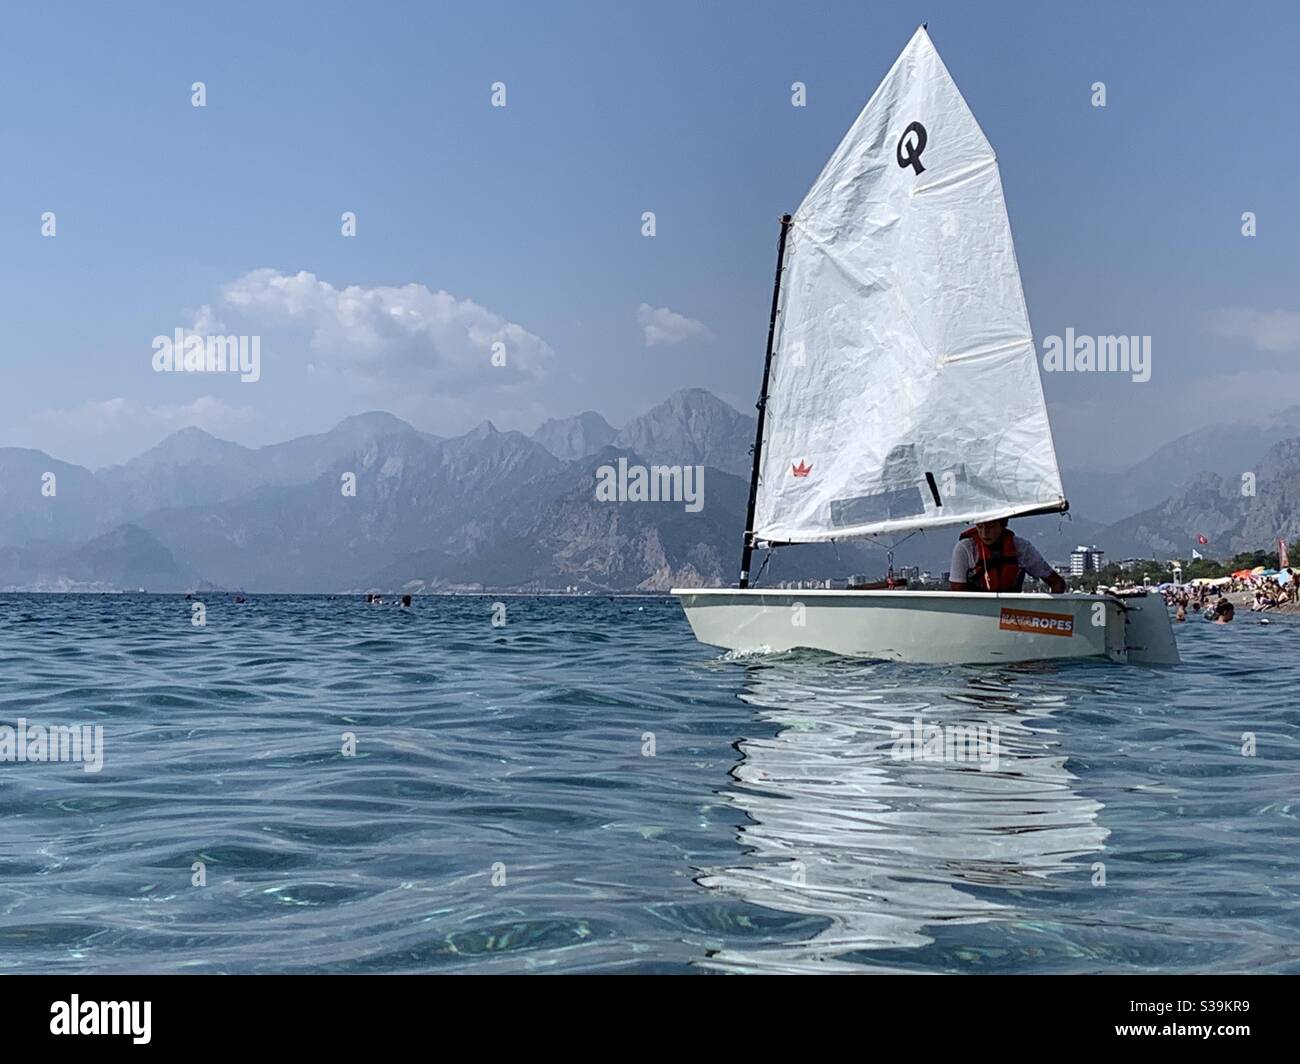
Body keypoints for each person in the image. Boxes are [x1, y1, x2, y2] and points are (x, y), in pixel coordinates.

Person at [949, 518, 1067, 594]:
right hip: (976, 615)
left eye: (990, 527)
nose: (984, 533)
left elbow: (1057, 583)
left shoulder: (1021, 548)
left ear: (1003, 525)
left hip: (1011, 617)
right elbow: (957, 594)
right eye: (980, 527)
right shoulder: (965, 548)